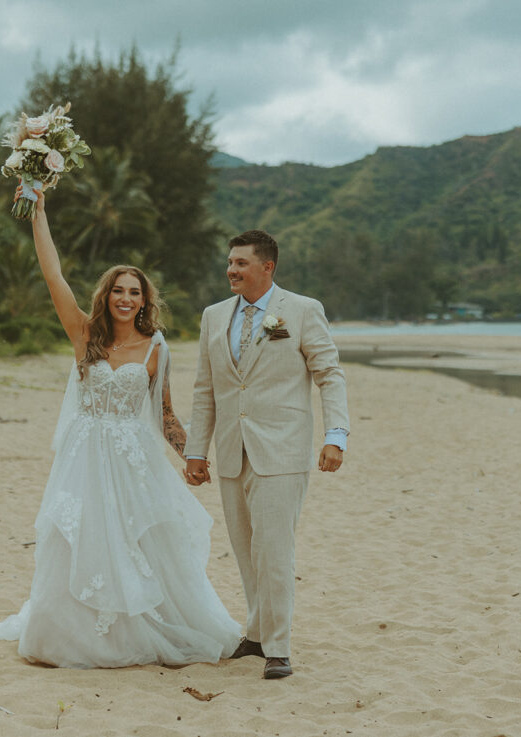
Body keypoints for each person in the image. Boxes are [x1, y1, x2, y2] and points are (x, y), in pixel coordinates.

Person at [0, 188, 240, 668]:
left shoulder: (155, 348)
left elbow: (164, 414)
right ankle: (66, 633)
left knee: (134, 543)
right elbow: (52, 273)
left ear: (145, 301)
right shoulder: (84, 335)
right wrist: (38, 212)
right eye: (118, 290)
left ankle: (135, 631)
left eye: (134, 292)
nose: (125, 298)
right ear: (107, 295)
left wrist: (193, 455)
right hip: (84, 458)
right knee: (76, 537)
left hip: (132, 461)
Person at [184, 229, 349, 679]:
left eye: (240, 263)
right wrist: (195, 451)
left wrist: (336, 434)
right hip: (232, 452)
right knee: (245, 549)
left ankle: (278, 647)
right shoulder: (214, 316)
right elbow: (206, 390)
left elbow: (329, 375)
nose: (231, 270)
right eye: (230, 262)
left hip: (282, 450)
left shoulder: (301, 310)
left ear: (267, 267)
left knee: (274, 550)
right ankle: (257, 633)